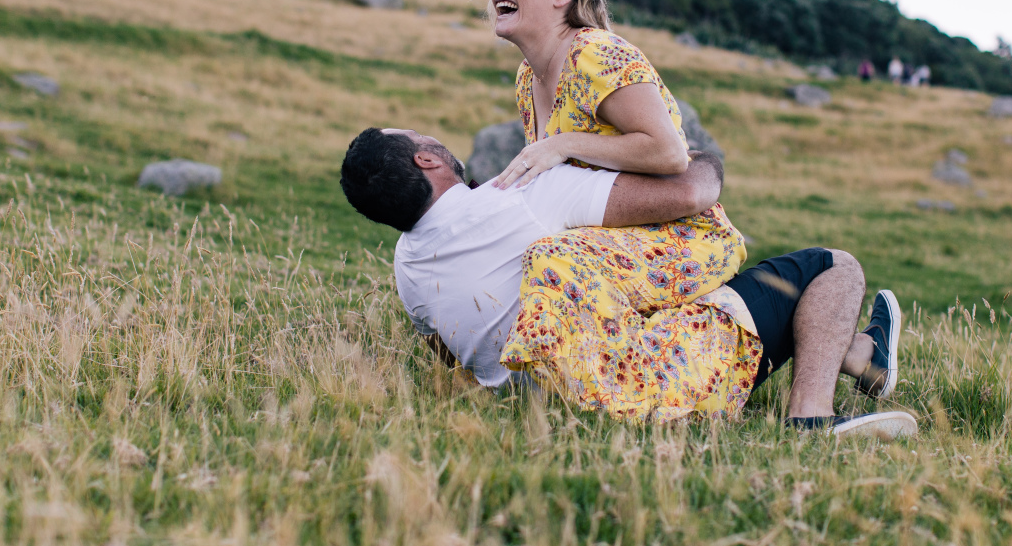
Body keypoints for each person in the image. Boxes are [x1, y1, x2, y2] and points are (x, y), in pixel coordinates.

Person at [340, 127, 916, 436]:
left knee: (653, 280)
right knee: (832, 267)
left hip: (546, 407)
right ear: (426, 161)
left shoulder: (406, 267)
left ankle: (862, 357)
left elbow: (448, 356)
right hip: (650, 380)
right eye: (419, 134)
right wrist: (697, 153)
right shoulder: (522, 195)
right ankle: (811, 419)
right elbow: (692, 193)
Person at [484, 0, 751, 408]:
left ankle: (600, 401)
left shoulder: (595, 53)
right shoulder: (528, 79)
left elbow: (669, 154)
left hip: (677, 236)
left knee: (552, 259)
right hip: (604, 237)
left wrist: (563, 143)